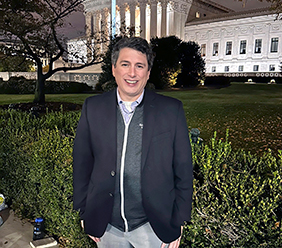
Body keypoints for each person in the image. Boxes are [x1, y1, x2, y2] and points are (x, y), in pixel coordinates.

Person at [73, 37, 193, 248]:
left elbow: (183, 168)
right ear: (114, 69)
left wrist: (179, 219)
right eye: (125, 64)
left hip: (153, 227)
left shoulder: (171, 110)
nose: (132, 73)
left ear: (147, 73)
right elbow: (82, 163)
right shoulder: (93, 107)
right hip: (107, 227)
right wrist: (85, 211)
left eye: (140, 66)